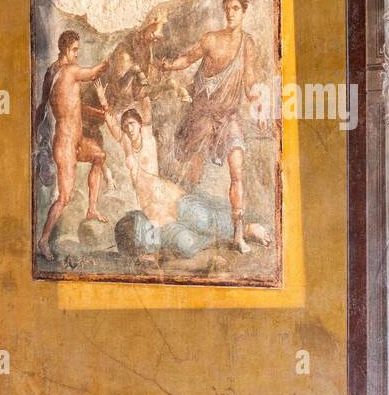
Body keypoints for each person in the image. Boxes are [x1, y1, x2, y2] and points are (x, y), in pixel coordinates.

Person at [101, 94, 270, 266]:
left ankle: (247, 230)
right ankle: (212, 242)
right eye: (125, 125)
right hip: (155, 211)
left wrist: (144, 90)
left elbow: (146, 107)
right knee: (187, 245)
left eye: (132, 123)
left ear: (139, 124)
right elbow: (112, 125)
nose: (129, 128)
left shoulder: (148, 139)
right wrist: (104, 102)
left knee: (204, 220)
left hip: (172, 198)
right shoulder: (126, 145)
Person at [157, 0, 265, 253]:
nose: (230, 13)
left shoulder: (247, 44)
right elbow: (187, 58)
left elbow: (250, 82)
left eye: (235, 9)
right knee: (191, 170)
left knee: (236, 171)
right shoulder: (211, 39)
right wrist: (168, 65)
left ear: (244, 12)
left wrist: (260, 106)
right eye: (227, 9)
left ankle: (238, 235)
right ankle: (182, 217)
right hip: (202, 114)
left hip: (228, 117)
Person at [33, 29, 108, 260]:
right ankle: (43, 240)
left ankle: (92, 208)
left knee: (100, 156)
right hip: (65, 144)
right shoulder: (70, 71)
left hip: (75, 140)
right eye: (75, 49)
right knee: (64, 197)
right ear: (66, 49)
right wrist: (108, 62)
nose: (77, 53)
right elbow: (94, 72)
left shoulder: (51, 73)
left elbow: (49, 105)